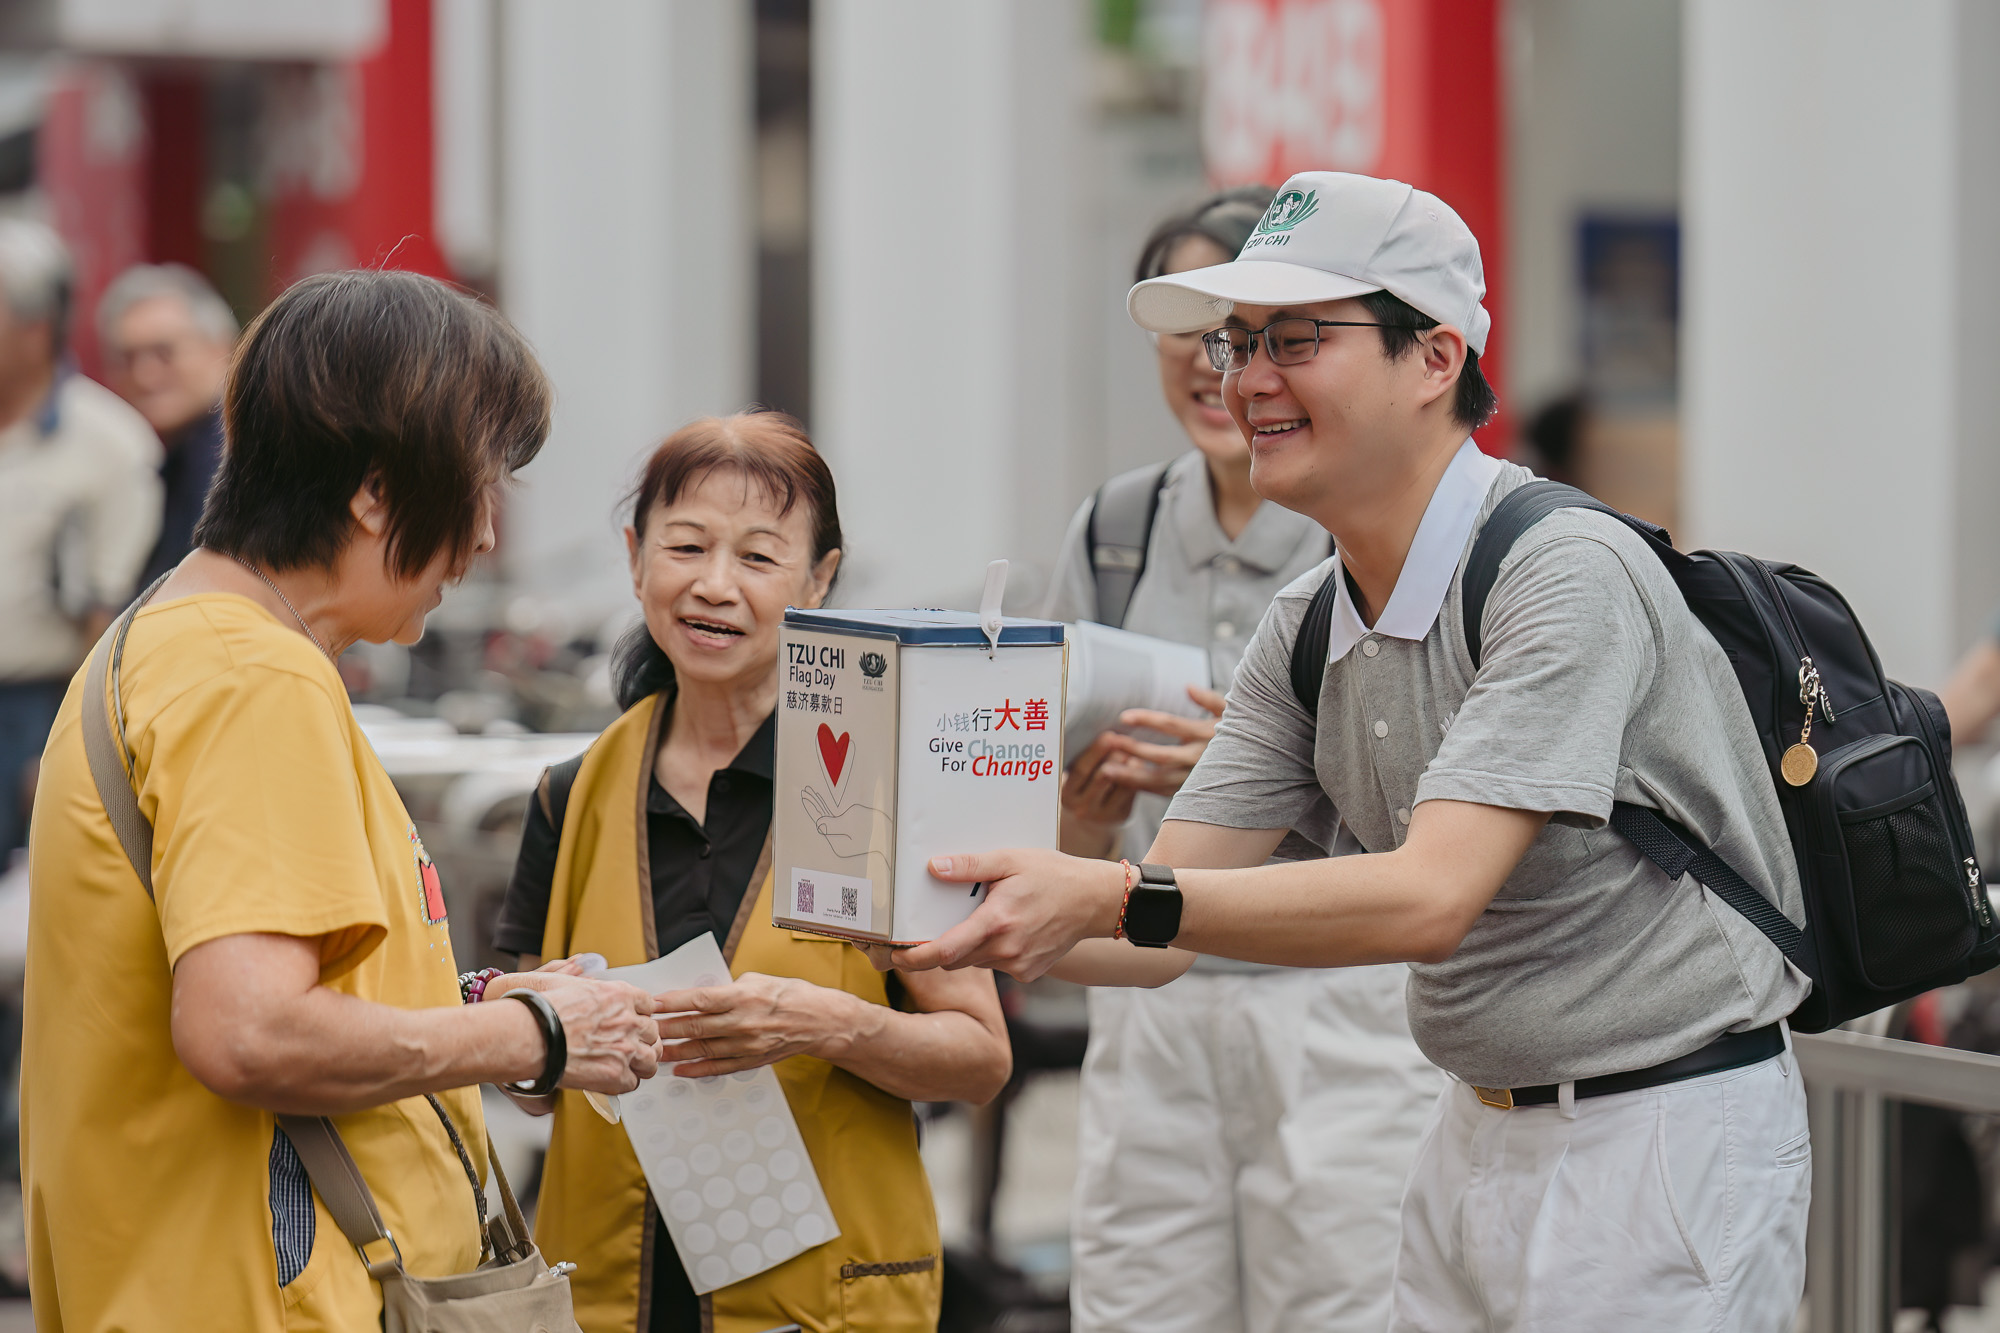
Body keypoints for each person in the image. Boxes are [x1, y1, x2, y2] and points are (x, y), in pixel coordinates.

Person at [897, 171, 1813, 1330]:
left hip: (1656, 1139)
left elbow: (1428, 895)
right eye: (1235, 342)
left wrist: (1110, 894)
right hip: (1471, 1126)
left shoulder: (1559, 571)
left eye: (1293, 340)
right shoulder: (1311, 620)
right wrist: (927, 906)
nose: (1244, 380)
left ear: (1432, 357)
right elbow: (1160, 934)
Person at [24, 269, 664, 1331]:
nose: (486, 534)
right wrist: (534, 1036)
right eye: (478, 482)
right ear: (374, 491)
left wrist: (478, 1008)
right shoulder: (251, 675)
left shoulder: (174, 638)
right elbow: (248, 1030)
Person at [493, 412, 1011, 1333]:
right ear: (635, 559)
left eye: (760, 557)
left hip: (820, 1301)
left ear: (820, 578)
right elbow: (525, 1086)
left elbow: (979, 1058)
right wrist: (539, 1032)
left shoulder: (883, 788)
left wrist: (826, 1023)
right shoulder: (570, 796)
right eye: (686, 546)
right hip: (610, 1296)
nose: (715, 584)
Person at [1043, 186, 1439, 1333]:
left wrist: (1252, 771)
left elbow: (1435, 813)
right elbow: (1056, 821)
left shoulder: (1366, 529)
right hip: (1148, 988)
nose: (1219, 362)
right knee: (1137, 1308)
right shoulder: (1112, 531)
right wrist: (1084, 813)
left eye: (1260, 331)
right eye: (1198, 331)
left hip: (1335, 1005)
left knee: (1340, 1306)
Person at [0, 220, 161, 861]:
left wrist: (65, 750)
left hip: (33, 709)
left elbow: (108, 617)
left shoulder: (109, 445)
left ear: (36, 327)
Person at [99, 263, 237, 589]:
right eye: (127, 358)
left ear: (222, 349)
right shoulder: (167, 456)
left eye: (165, 353)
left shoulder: (239, 456)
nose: (144, 375)